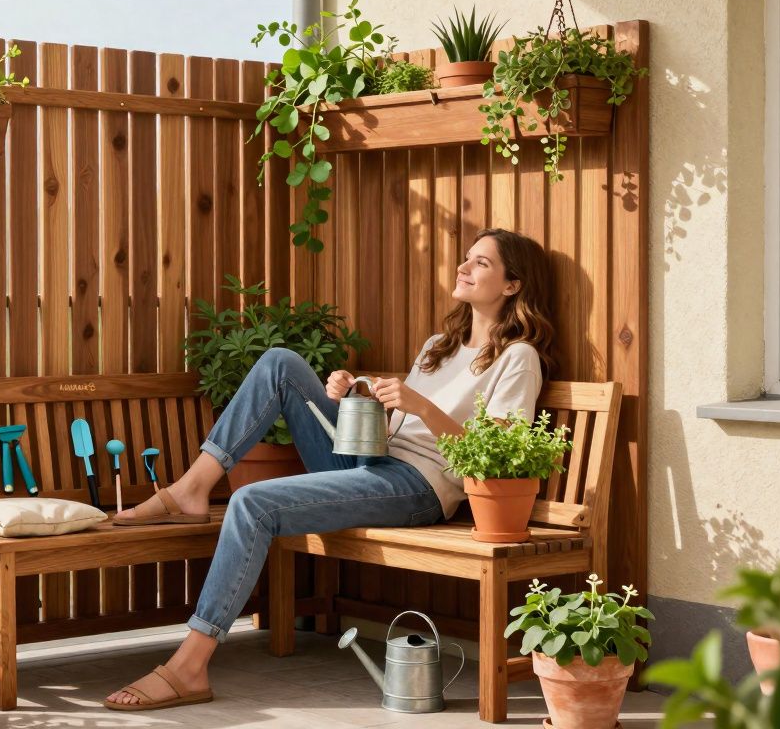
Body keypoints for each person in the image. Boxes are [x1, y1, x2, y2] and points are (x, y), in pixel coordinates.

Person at [103, 228, 558, 711]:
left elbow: (501, 455)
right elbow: (397, 428)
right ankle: (192, 487)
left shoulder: (518, 357)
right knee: (280, 363)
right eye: (466, 258)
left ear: (512, 285)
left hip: (418, 487)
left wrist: (422, 407)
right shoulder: (438, 347)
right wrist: (354, 397)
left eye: (481, 263)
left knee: (253, 502)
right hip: (376, 460)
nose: (464, 267)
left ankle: (189, 666)